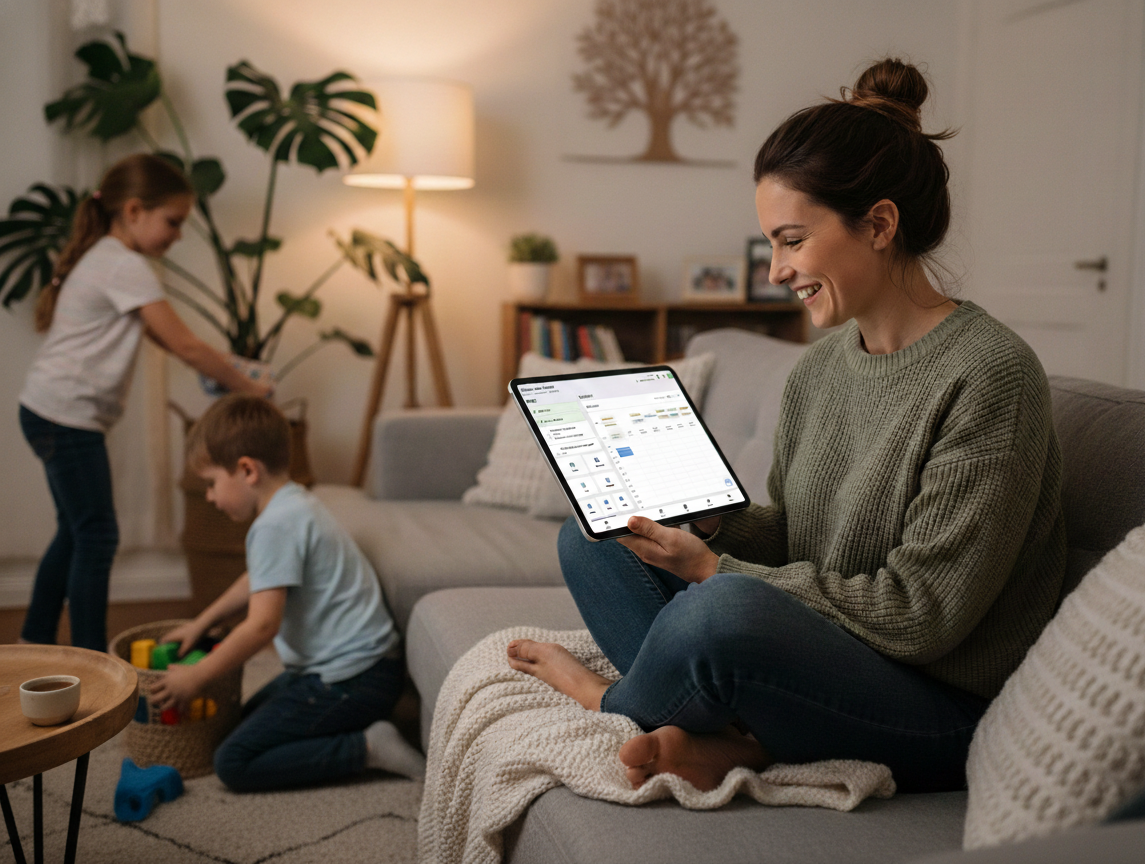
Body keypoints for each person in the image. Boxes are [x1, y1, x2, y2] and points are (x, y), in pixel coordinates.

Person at [505, 58, 1067, 795]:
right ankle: (731, 737)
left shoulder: (990, 375)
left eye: (792, 240)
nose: (775, 270)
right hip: (821, 659)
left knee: (721, 610)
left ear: (880, 225)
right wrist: (713, 525)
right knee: (595, 538)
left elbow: (921, 615)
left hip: (937, 707)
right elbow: (799, 539)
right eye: (772, 243)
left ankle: (614, 700)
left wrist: (713, 571)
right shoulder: (820, 366)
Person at [18, 153, 270, 652]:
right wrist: (250, 388)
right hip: (66, 416)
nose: (178, 235)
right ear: (133, 211)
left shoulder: (108, 258)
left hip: (47, 410)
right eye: (172, 221)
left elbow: (166, 339)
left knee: (75, 530)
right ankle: (94, 660)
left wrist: (230, 369)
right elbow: (186, 346)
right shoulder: (124, 264)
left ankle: (35, 638)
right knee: (97, 535)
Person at [150, 394, 423, 791]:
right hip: (367, 671)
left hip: (354, 681)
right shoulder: (294, 502)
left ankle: (366, 746)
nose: (209, 496)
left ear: (247, 470)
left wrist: (196, 676)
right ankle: (358, 726)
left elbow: (262, 627)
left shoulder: (274, 526)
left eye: (211, 483)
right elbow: (260, 577)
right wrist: (202, 623)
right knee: (242, 723)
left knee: (234, 760)